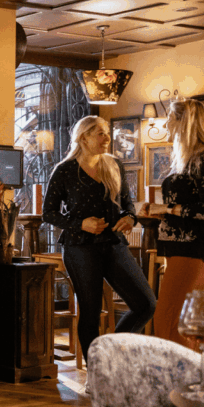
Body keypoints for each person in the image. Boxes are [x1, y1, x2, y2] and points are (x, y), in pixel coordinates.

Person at [42, 116, 156, 364]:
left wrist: (130, 218)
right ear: (84, 137)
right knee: (90, 312)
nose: (107, 139)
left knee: (145, 304)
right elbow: (48, 213)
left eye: (107, 133)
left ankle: (110, 353)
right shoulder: (64, 170)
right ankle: (97, 372)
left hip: (114, 244)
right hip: (79, 248)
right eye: (101, 134)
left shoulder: (114, 165)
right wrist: (80, 223)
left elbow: (128, 204)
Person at [138, 97, 204, 346]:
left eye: (170, 120)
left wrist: (168, 208)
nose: (166, 126)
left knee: (173, 323)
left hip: (195, 250)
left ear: (185, 122)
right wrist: (162, 212)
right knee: (176, 323)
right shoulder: (189, 158)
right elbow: (188, 206)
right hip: (180, 249)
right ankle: (182, 381)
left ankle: (178, 381)